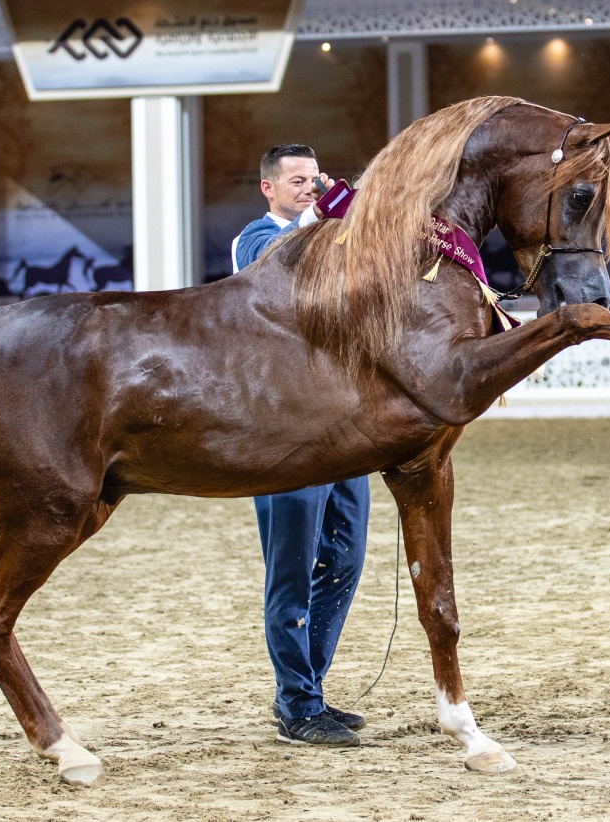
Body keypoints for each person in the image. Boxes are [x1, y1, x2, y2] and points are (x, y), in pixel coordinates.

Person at [233, 144, 371, 748]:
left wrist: (356, 216)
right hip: (283, 431)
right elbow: (279, 273)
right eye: (297, 180)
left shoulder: (332, 234)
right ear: (268, 187)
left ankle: (305, 690)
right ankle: (297, 703)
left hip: (340, 424)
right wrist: (327, 215)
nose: (310, 187)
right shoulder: (255, 238)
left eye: (315, 179)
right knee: (291, 568)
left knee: (345, 558)